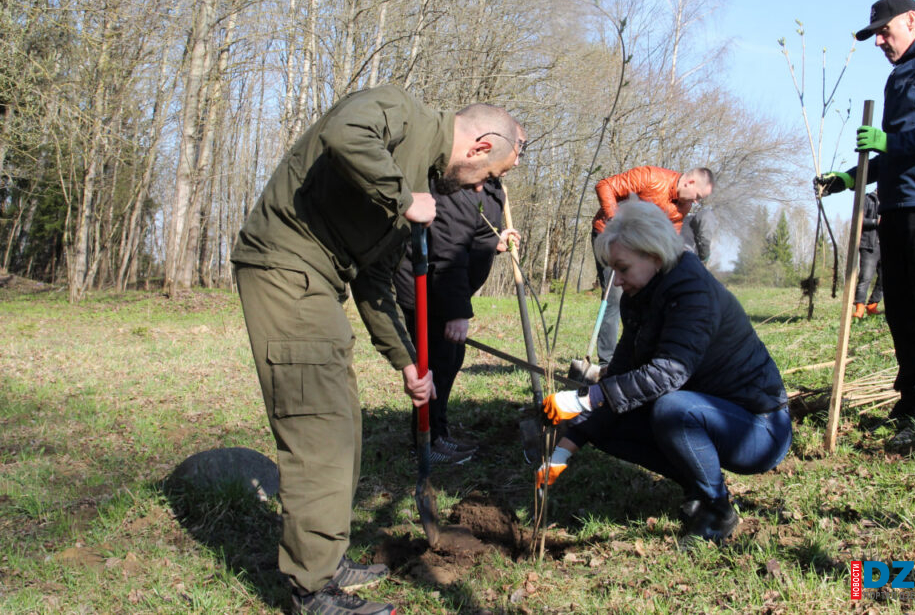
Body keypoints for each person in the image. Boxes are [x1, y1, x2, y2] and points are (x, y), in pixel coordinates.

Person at [231, 85, 525, 615]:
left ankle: (326, 559)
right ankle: (311, 591)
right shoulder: (402, 113)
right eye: (489, 175)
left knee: (344, 426)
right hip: (285, 269)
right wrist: (404, 199)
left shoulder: (423, 181)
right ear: (479, 146)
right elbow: (343, 133)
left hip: (323, 283)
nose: (483, 186)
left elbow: (375, 281)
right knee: (319, 430)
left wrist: (407, 361)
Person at [540, 199, 790, 543]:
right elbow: (619, 377)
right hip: (705, 413)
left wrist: (583, 399)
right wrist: (562, 452)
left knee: (671, 409)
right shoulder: (641, 296)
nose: (616, 281)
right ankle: (698, 486)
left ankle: (718, 510)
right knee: (613, 418)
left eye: (622, 268)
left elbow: (669, 373)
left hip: (758, 428)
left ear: (654, 256)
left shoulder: (693, 292)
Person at [817, 0, 915, 445]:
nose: (879, 42)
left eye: (884, 31)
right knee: (900, 306)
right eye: (875, 35)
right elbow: (895, 150)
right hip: (897, 202)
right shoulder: (900, 74)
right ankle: (910, 404)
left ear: (912, 20)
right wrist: (851, 178)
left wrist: (887, 141)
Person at [393, 177, 519, 464]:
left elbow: (470, 235)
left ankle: (439, 433)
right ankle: (425, 442)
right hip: (427, 287)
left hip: (446, 288)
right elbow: (448, 251)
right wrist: (455, 313)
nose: (516, 163)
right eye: (516, 154)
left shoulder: (492, 187)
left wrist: (493, 242)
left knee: (449, 359)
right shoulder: (453, 185)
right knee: (435, 364)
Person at [590, 166, 714, 366]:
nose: (696, 202)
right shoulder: (650, 177)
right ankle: (607, 361)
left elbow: (671, 234)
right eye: (697, 196)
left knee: (647, 296)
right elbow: (605, 186)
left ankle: (638, 357)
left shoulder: (683, 206)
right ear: (690, 182)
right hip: (610, 236)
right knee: (615, 296)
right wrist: (616, 220)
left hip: (639, 248)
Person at [853, 190, 883, 319]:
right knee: (866, 277)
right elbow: (858, 220)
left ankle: (872, 306)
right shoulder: (867, 199)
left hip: (885, 245)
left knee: (884, 278)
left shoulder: (890, 200)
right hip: (869, 244)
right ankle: (859, 309)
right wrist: (876, 222)